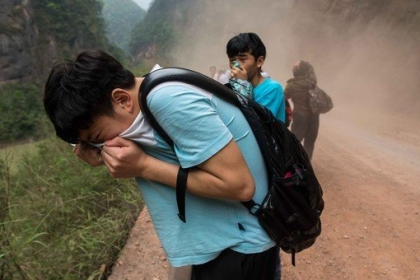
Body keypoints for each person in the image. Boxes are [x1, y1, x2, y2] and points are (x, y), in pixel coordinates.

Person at [43, 50, 278, 280]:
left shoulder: (169, 102)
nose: (105, 145)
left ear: (122, 99)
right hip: (222, 245)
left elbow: (240, 186)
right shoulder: (148, 90)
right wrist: (93, 146)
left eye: (98, 137)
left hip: (242, 248)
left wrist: (143, 166)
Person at [226, 32, 286, 123]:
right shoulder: (231, 88)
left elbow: (258, 125)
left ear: (259, 61)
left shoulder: (272, 89)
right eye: (232, 61)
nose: (236, 65)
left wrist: (242, 85)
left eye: (242, 59)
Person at [284, 60, 318, 160]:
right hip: (314, 115)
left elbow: (282, 99)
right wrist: (306, 64)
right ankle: (307, 165)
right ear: (305, 72)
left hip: (299, 115)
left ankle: (293, 163)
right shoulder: (311, 82)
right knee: (309, 142)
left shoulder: (291, 86)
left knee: (295, 141)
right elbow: (312, 73)